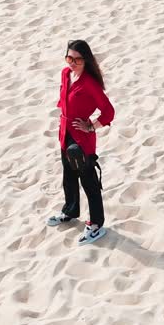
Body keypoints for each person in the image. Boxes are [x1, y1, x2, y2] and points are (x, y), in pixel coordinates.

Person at [45, 39, 116, 245]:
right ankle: (70, 211)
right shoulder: (66, 74)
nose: (72, 63)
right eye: (69, 58)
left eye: (77, 59)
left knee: (89, 182)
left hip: (82, 140)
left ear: (86, 61)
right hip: (65, 133)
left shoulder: (90, 84)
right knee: (68, 175)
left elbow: (108, 111)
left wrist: (92, 126)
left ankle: (95, 225)